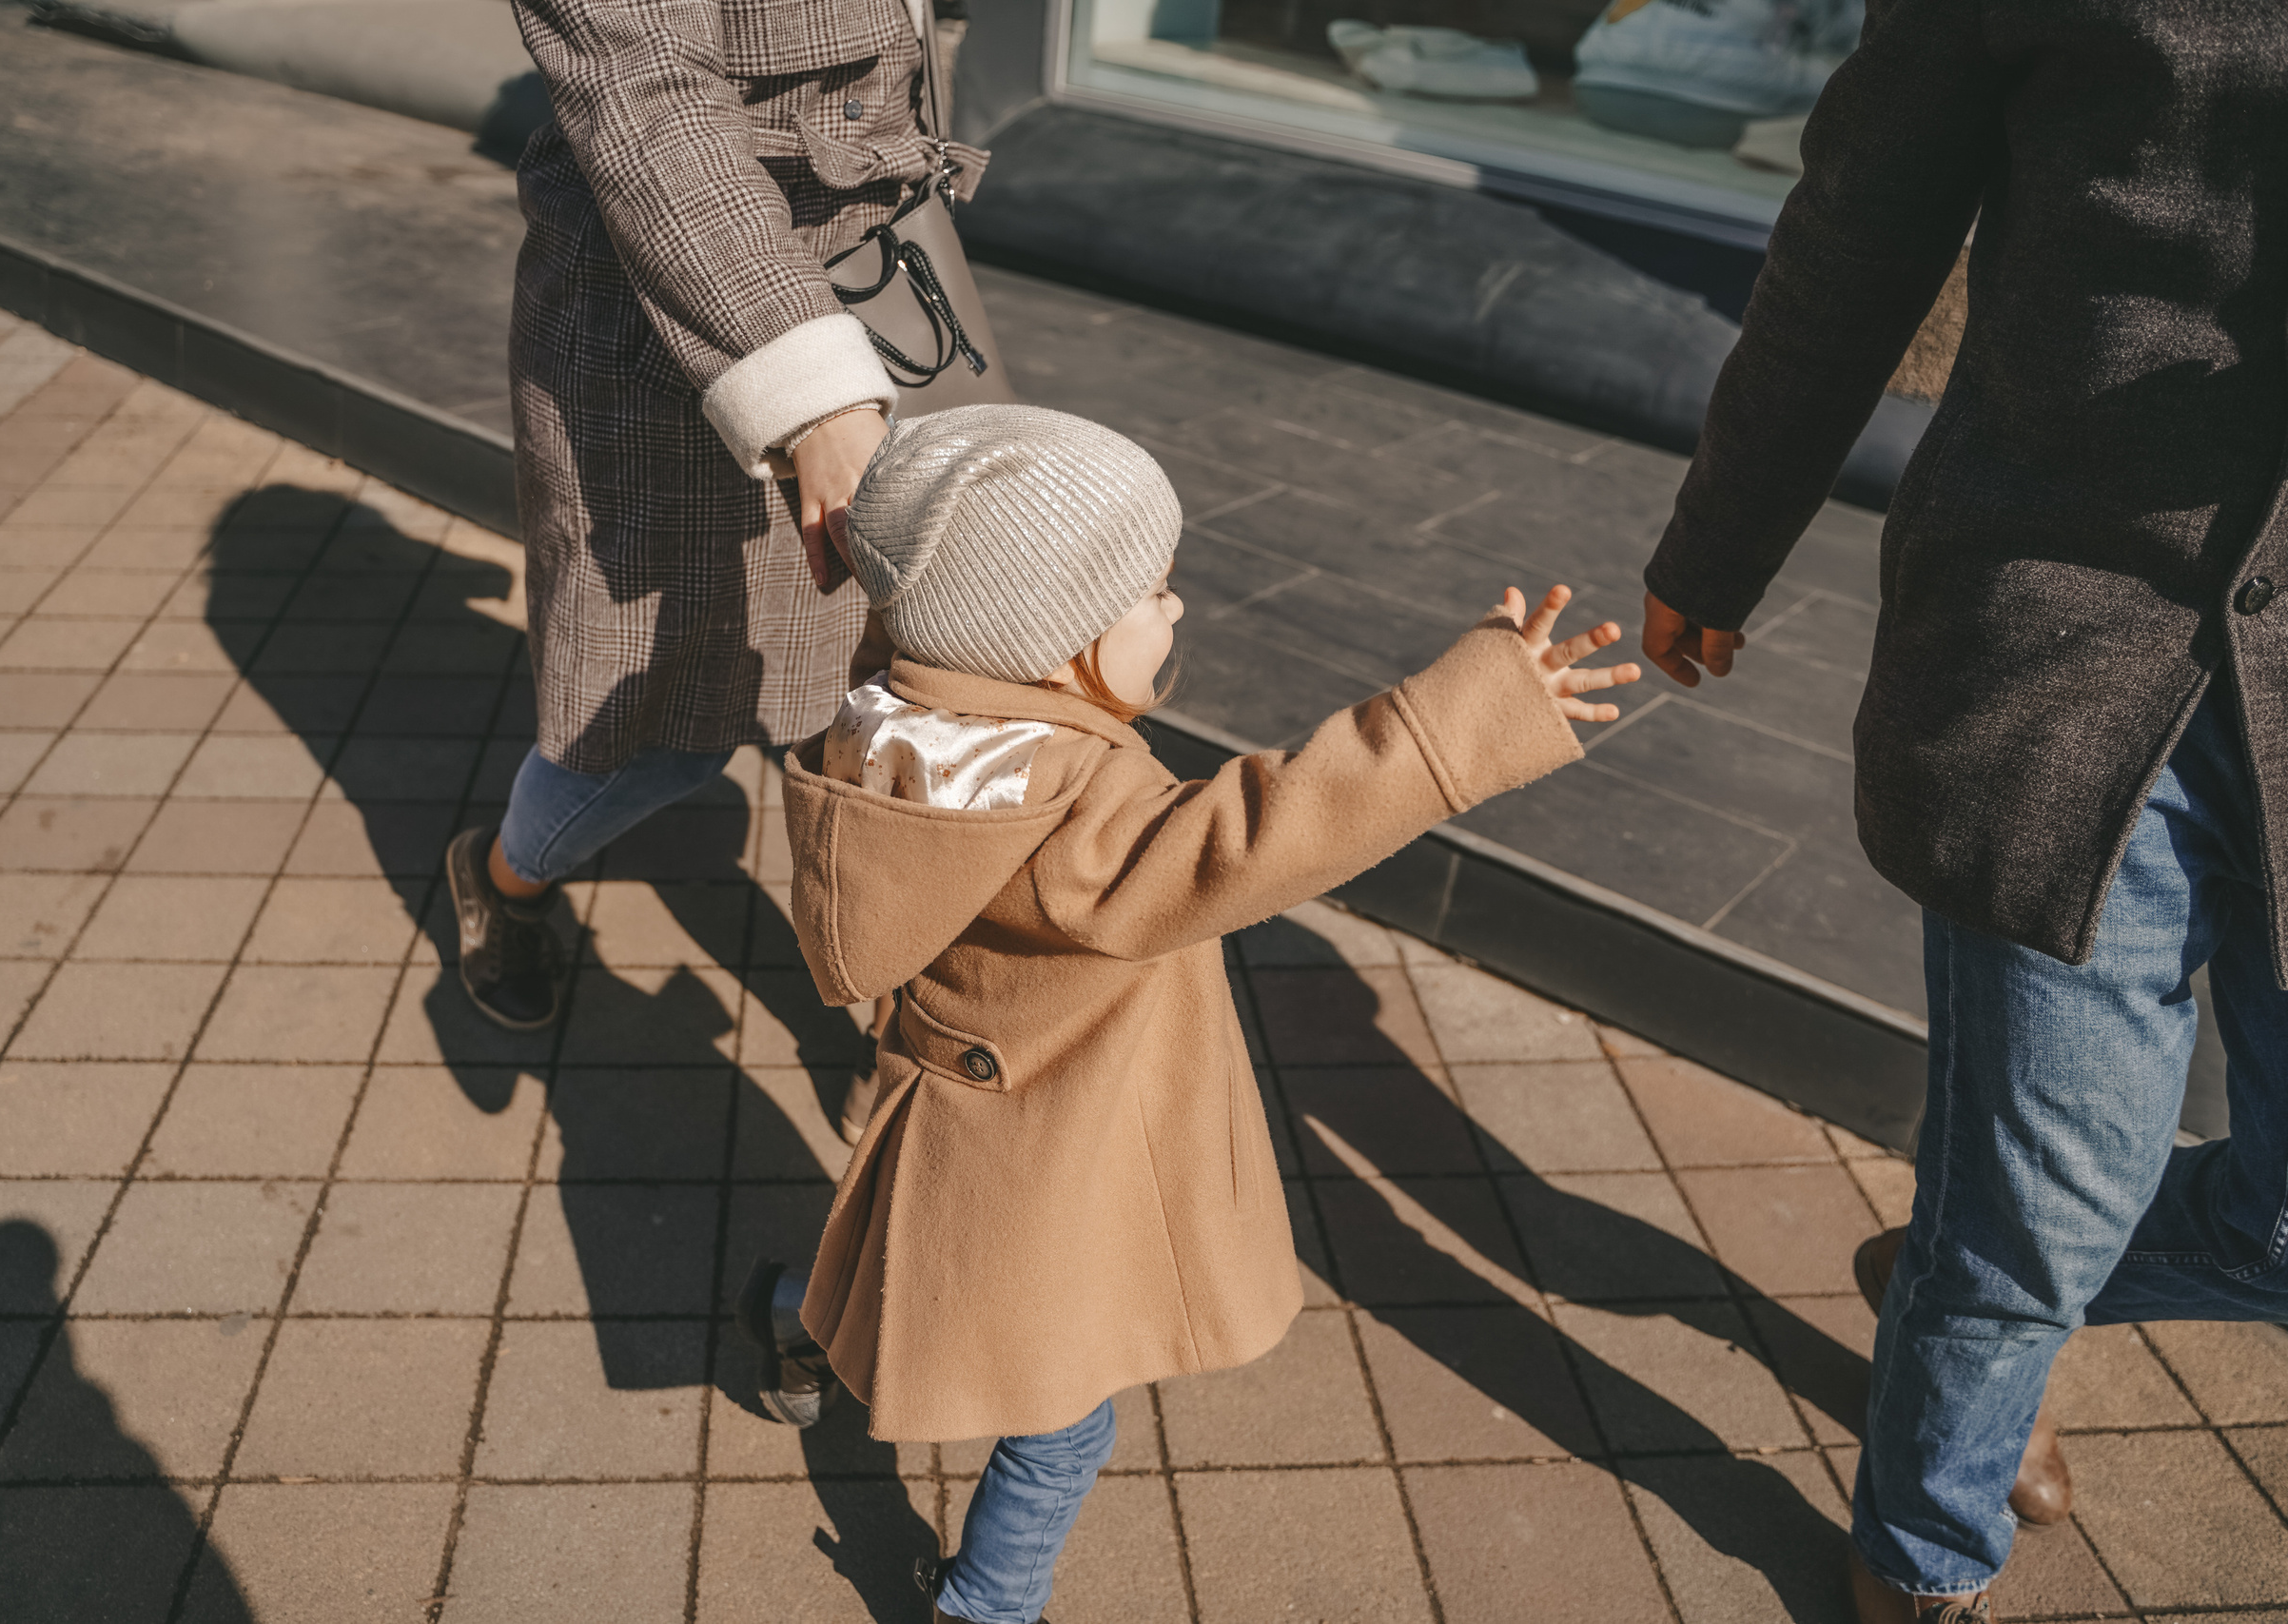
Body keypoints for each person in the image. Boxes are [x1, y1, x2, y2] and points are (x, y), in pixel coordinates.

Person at [738, 402, 1640, 1622]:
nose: (1172, 609)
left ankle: (798, 1323)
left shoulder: (886, 719)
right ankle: (987, 1606)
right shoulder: (1076, 818)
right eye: (1151, 592)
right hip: (1048, 1154)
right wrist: (1460, 712)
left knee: (899, 1257)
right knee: (1061, 1421)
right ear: (1055, 647)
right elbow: (1259, 832)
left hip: (950, 1116)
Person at [1634, 0, 2288, 1617]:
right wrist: (1720, 542)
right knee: (2038, 1199)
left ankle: (1978, 1286)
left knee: (2228, 1233)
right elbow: (1859, 229)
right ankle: (1924, 1547)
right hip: (2066, 639)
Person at [444, 0, 979, 1036]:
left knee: (888, 694)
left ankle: (903, 1016)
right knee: (656, 723)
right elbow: (646, 97)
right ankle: (505, 875)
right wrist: (814, 391)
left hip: (883, 296)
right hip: (668, 356)